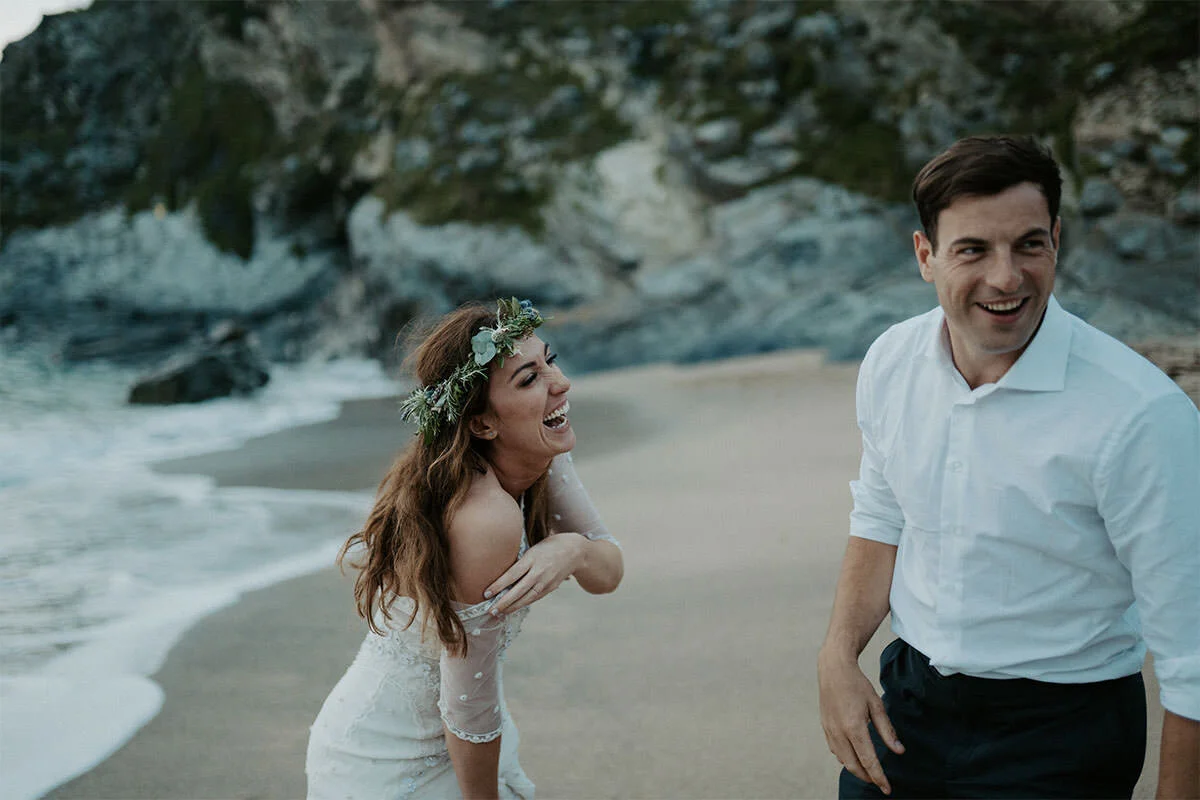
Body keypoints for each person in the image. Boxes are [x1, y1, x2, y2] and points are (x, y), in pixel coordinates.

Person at [817, 135, 1199, 798]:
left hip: (1062, 729)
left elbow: (1193, 658)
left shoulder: (1141, 415)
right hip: (910, 703)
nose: (1006, 277)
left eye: (1029, 244)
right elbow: (881, 516)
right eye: (973, 249)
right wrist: (838, 657)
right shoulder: (890, 363)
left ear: (1056, 239)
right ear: (925, 255)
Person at [306, 298, 623, 799]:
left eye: (550, 361)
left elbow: (607, 571)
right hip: (388, 755)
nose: (560, 384)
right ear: (481, 424)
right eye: (528, 379)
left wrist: (572, 549)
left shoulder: (543, 450)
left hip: (463, 733)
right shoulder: (484, 520)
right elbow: (466, 709)